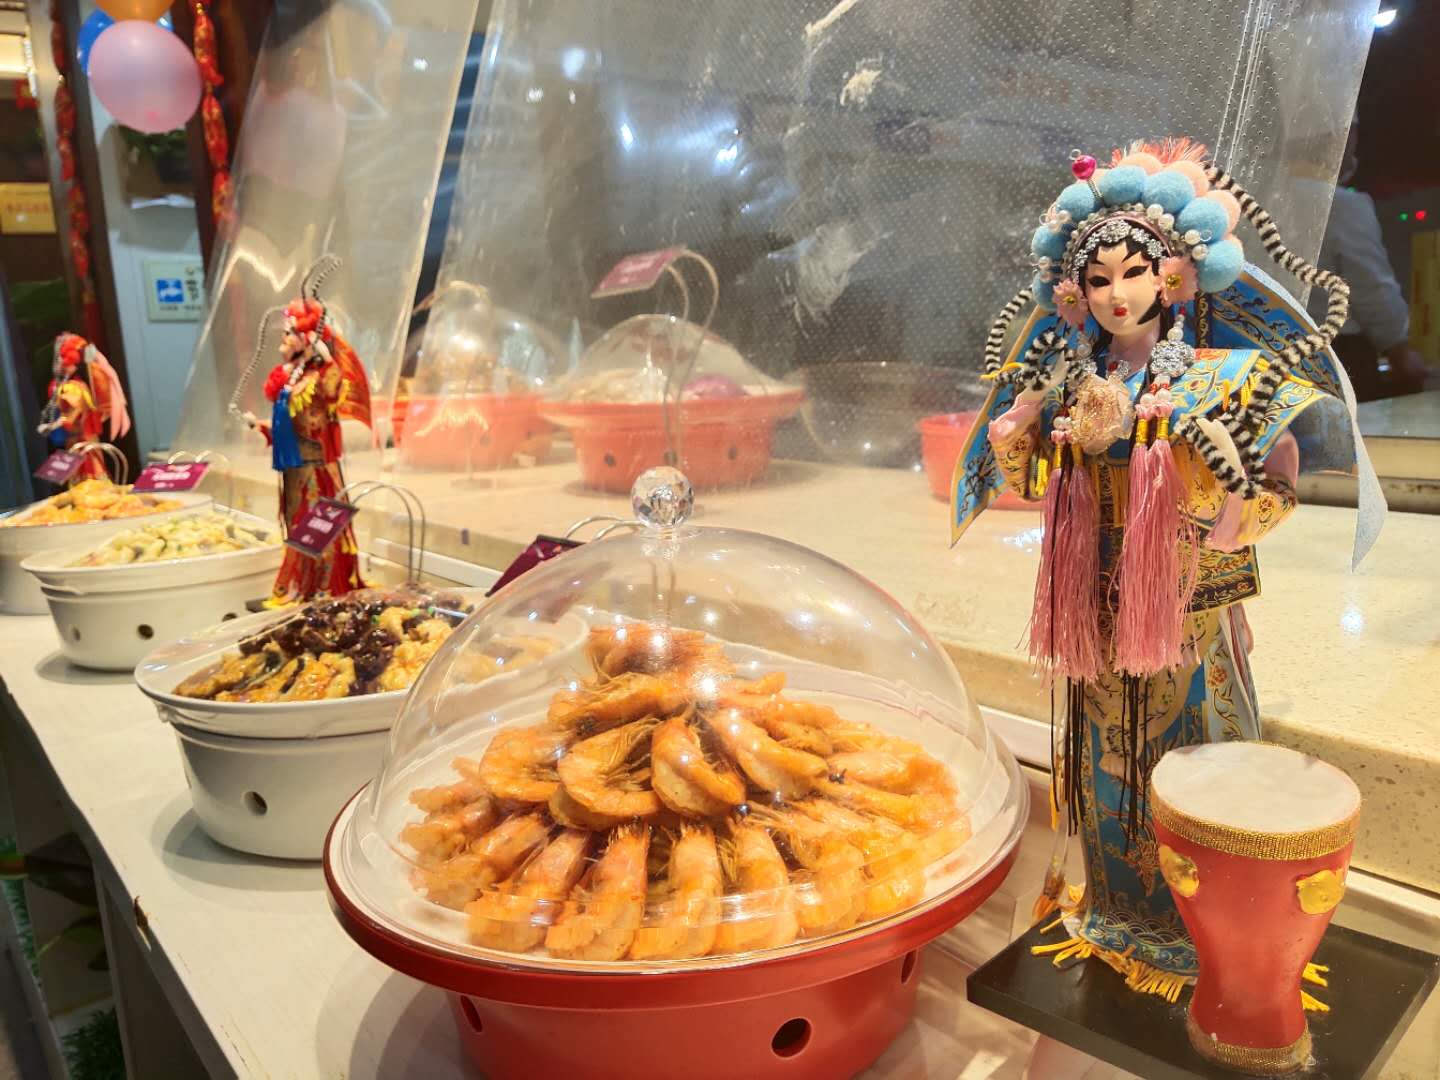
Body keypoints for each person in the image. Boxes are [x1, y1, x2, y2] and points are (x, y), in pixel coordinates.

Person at [953, 138, 1365, 1000]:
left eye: (1134, 273)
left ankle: (1209, 927)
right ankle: (1115, 907)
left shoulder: (1223, 377)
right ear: (1074, 290)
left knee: (1195, 748)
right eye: (1098, 278)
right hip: (1091, 603)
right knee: (1104, 752)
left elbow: (1277, 473)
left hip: (1185, 603)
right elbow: (1037, 479)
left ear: (1175, 275)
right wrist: (1015, 437)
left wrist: (1236, 516)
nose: (1117, 293)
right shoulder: (1069, 379)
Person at [1309, 127, 1427, 400]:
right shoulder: (1342, 204)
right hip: (1339, 355)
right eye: (1351, 132)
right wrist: (1399, 350)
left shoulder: (1258, 196)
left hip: (1270, 348)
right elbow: (1371, 289)